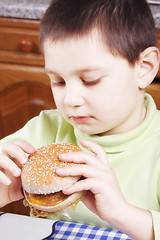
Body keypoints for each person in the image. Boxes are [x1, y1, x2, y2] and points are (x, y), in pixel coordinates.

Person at [0, 0, 160, 239]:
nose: (70, 100)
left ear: (144, 68)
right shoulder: (44, 130)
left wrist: (121, 213)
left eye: (91, 80)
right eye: (59, 81)